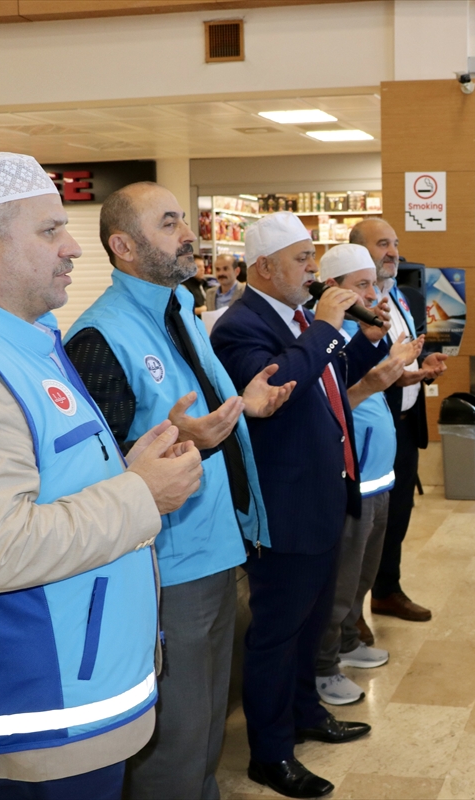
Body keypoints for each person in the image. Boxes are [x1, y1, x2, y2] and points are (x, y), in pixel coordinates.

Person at [0, 152, 202, 800]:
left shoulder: (25, 343)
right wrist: (141, 495)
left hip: (76, 695)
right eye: (50, 230)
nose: (73, 248)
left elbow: (56, 481)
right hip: (38, 711)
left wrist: (134, 467)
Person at [65, 182, 296, 800]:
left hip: (216, 549)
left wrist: (242, 408)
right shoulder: (99, 337)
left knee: (207, 727)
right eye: (169, 224)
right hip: (168, 567)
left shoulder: (180, 314)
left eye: (183, 220)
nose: (188, 234)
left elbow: (198, 424)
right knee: (179, 736)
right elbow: (92, 474)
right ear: (124, 246)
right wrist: (182, 444)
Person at [211, 212, 374, 799]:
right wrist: (327, 330)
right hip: (282, 504)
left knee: (309, 623)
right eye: (303, 259)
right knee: (278, 632)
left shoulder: (302, 316)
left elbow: (328, 380)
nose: (313, 269)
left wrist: (366, 344)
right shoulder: (239, 327)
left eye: (311, 257)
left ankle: (307, 712)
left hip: (323, 491)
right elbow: (276, 390)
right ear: (264, 267)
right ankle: (270, 753)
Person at [314, 244, 422, 706]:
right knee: (340, 577)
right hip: (351, 478)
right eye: (362, 286)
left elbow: (368, 381)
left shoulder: (356, 336)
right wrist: (378, 377)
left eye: (374, 284)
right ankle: (323, 665)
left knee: (363, 571)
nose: (373, 294)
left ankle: (348, 641)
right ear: (334, 289)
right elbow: (334, 402)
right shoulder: (319, 337)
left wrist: (398, 369)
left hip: (379, 474)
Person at [349, 218, 449, 624]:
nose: (392, 252)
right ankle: (349, 610)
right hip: (370, 429)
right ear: (359, 252)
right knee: (364, 522)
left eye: (394, 244)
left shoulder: (404, 296)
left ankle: (387, 590)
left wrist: (424, 363)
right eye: (382, 244)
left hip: (405, 423)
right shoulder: (352, 306)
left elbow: (403, 349)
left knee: (397, 513)